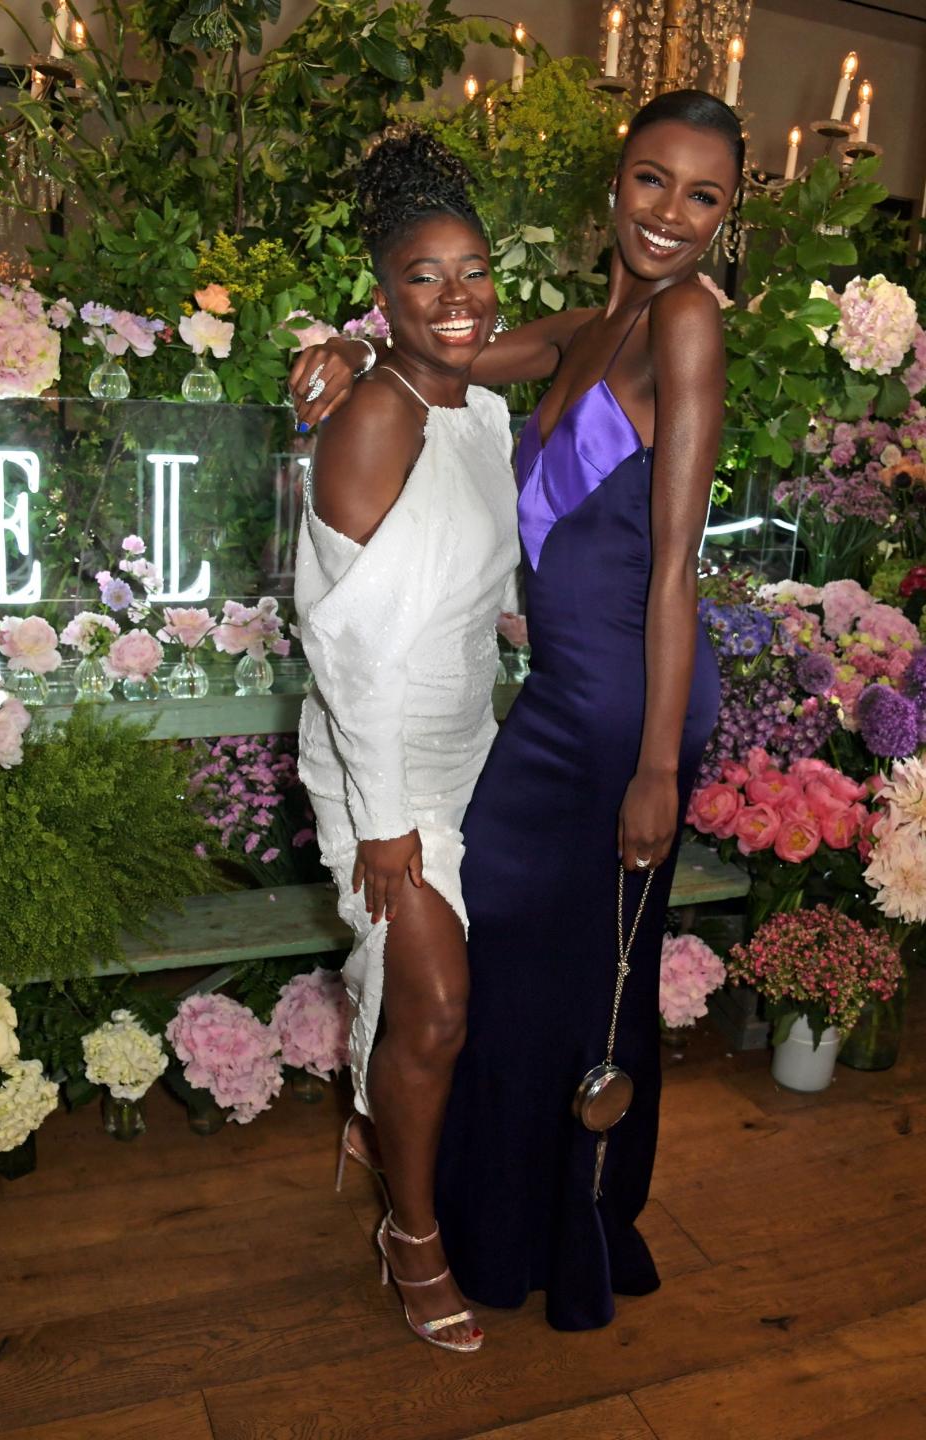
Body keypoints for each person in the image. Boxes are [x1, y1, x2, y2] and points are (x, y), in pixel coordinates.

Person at [291, 89, 741, 1331]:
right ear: (617, 181)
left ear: (729, 214)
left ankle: (567, 1228)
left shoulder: (686, 321)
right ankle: (499, 1219)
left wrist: (658, 766)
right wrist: (349, 350)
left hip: (628, 715)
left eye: (703, 194)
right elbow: (441, 351)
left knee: (586, 982)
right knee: (524, 980)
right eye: (654, 180)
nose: (670, 214)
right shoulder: (592, 325)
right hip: (548, 706)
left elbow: (673, 566)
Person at [292, 126, 519, 1353]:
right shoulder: (375, 415)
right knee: (432, 1003)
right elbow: (345, 649)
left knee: (447, 1011)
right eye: (424, 276)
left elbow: (470, 569)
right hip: (385, 772)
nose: (456, 296)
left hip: (471, 750)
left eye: (473, 270)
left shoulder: (479, 415)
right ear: (382, 299)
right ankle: (411, 1236)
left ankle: (384, 1124)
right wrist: (381, 816)